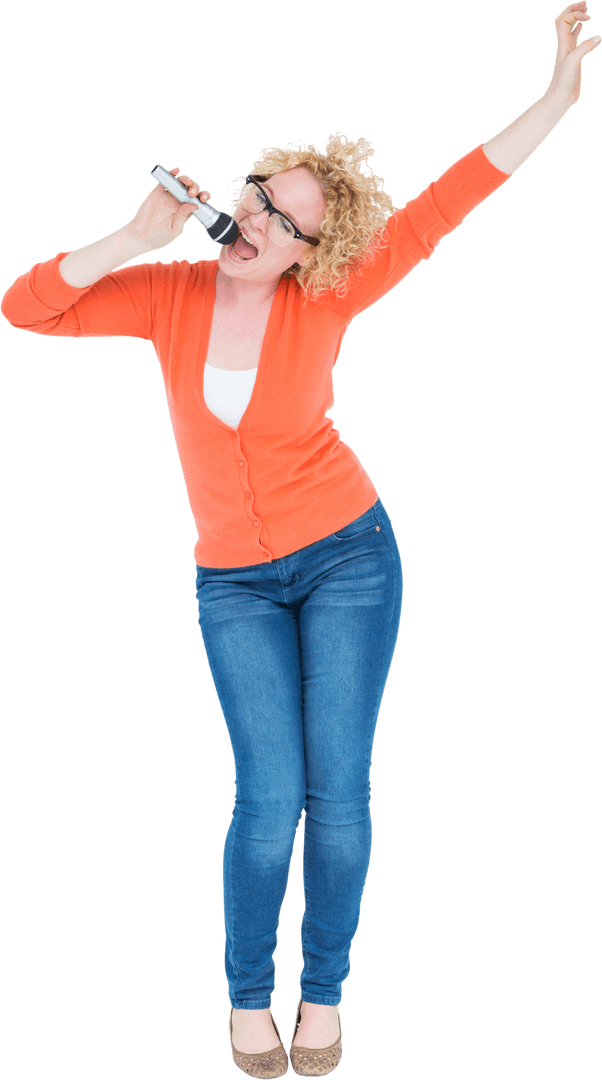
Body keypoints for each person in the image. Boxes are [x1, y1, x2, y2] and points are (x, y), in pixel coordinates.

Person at [1, 6, 598, 1076]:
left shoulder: (330, 296)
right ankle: (244, 1001)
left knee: (338, 792)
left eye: (286, 218)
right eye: (257, 197)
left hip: (348, 559)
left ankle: (321, 995)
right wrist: (132, 237)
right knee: (266, 798)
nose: (259, 220)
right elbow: (27, 309)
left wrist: (552, 100)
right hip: (230, 581)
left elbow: (446, 203)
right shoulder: (168, 292)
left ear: (315, 250)